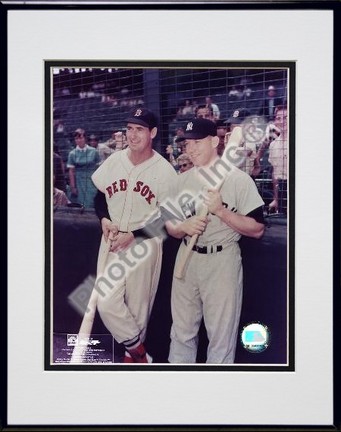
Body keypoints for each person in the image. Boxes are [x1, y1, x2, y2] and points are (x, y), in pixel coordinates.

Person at [163, 118, 265, 364]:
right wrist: (181, 228)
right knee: (181, 333)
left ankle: (216, 394)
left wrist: (221, 212)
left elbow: (257, 229)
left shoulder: (239, 180)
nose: (191, 148)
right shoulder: (181, 181)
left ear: (215, 141)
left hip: (222, 261)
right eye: (187, 143)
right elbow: (167, 223)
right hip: (187, 259)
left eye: (197, 142)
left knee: (221, 337)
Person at [91, 107, 178, 363]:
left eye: (139, 129)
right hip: (114, 239)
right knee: (106, 302)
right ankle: (140, 354)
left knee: (139, 310)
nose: (132, 134)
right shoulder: (115, 160)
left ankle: (133, 359)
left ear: (152, 132)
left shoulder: (164, 170)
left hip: (144, 243)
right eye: (129, 128)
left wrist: (136, 234)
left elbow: (170, 217)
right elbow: (99, 197)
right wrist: (104, 219)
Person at [66, 128, 100, 208]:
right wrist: (73, 187)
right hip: (79, 181)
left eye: (80, 137)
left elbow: (98, 168)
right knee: (80, 203)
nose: (79, 140)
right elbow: (71, 171)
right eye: (76, 138)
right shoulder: (72, 154)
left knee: (92, 201)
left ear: (85, 138)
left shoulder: (94, 151)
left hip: (91, 181)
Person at [224, 108, 261, 178]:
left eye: (238, 125)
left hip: (244, 179)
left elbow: (247, 151)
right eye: (232, 125)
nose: (234, 128)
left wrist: (229, 149)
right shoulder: (230, 137)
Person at [267, 105, 288, 213]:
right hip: (281, 190)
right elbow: (275, 174)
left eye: (286, 117)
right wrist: (276, 199)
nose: (282, 121)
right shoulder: (273, 145)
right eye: (278, 118)